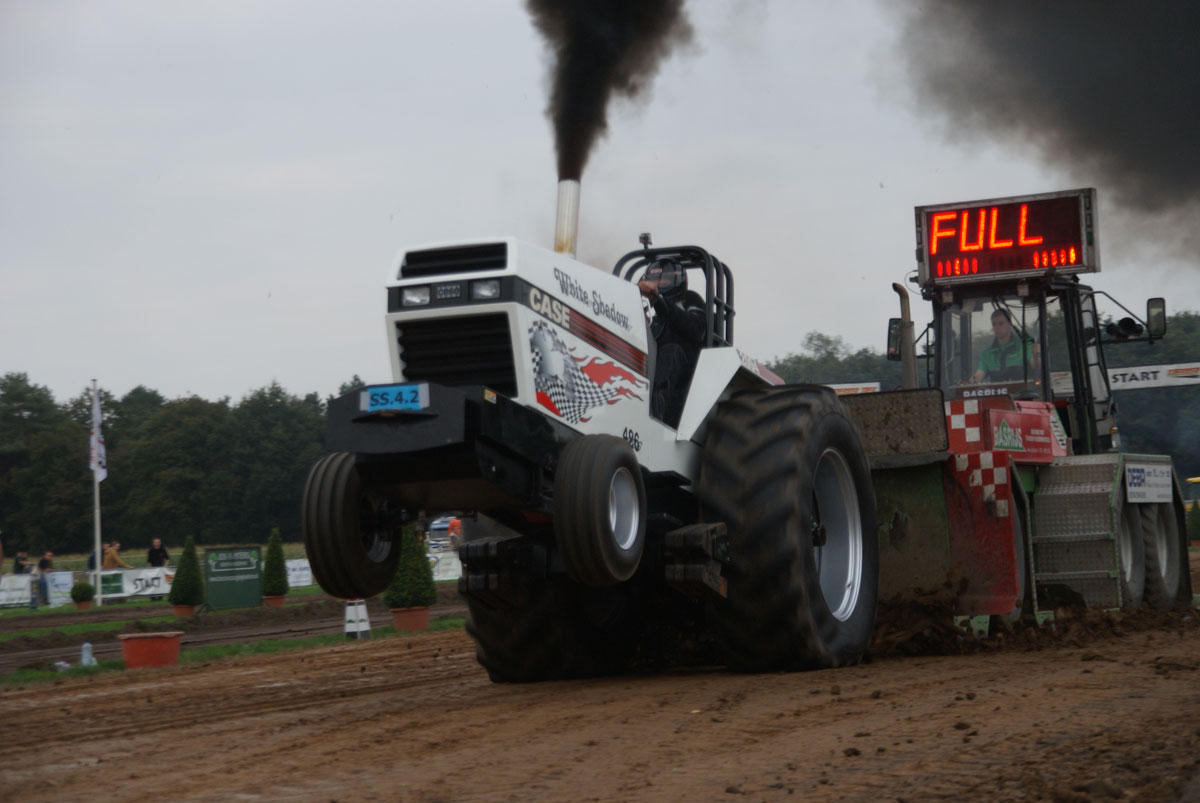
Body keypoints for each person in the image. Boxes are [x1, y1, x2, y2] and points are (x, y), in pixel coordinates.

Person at [638, 259, 706, 427]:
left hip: (687, 373)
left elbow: (695, 329)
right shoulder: (647, 309)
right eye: (655, 280)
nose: (659, 283)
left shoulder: (690, 300)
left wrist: (658, 299)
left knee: (671, 351)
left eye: (665, 280)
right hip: (651, 363)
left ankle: (658, 411)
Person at [969, 308, 1041, 383]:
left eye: (1001, 323)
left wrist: (1036, 355)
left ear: (1009, 325)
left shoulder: (1025, 346)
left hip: (1023, 393)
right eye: (994, 324)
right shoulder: (987, 354)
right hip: (997, 394)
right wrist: (974, 379)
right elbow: (979, 375)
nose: (997, 327)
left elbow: (1036, 367)